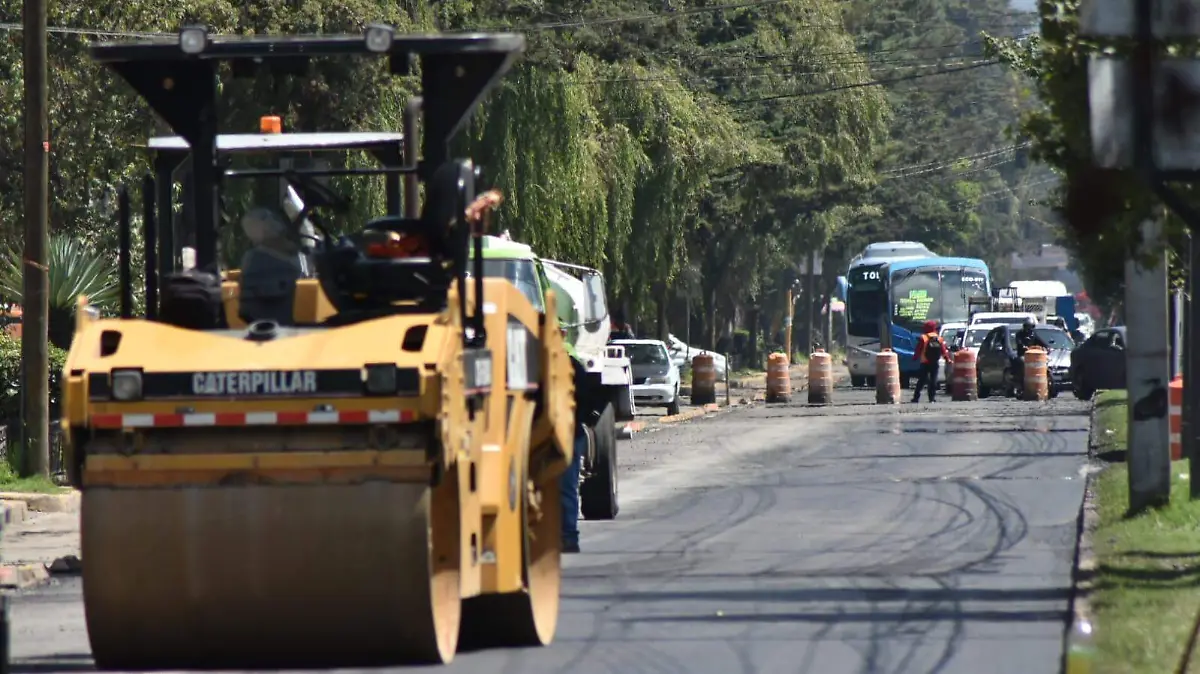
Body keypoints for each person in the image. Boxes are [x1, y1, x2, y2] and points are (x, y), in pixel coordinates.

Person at [911, 319, 950, 403]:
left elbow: (918, 350)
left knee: (921, 381)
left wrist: (915, 358)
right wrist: (948, 359)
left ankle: (916, 398)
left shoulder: (923, 337)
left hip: (925, 363)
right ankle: (932, 398)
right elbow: (943, 351)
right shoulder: (939, 338)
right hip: (935, 362)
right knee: (933, 380)